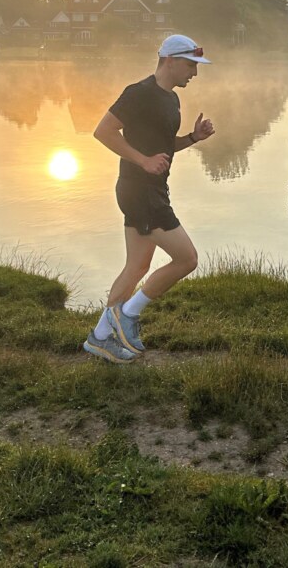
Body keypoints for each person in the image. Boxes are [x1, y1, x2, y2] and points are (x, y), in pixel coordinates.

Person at [84, 34, 215, 363]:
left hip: (151, 190)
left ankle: (99, 338)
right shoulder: (138, 93)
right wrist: (142, 161)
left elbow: (164, 148)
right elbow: (103, 132)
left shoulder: (171, 99)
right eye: (190, 65)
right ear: (169, 61)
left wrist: (193, 138)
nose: (195, 73)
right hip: (139, 190)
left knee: (137, 266)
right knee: (187, 259)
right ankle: (128, 315)